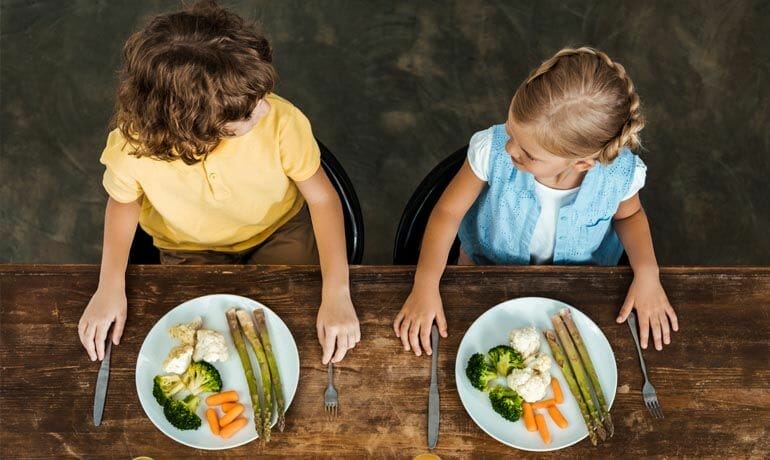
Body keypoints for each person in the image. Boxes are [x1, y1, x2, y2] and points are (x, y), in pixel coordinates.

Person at [78, 1, 359, 365]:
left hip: (280, 231)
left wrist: (337, 291)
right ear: (194, 127)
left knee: (290, 329)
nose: (265, 108)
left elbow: (322, 200)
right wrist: (108, 286)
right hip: (188, 250)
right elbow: (123, 202)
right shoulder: (131, 149)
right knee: (206, 344)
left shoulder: (282, 122)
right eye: (248, 111)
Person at [394, 47, 678, 356]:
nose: (511, 150)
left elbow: (630, 216)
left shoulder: (619, 175)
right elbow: (447, 213)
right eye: (511, 131)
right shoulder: (492, 150)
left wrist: (648, 275)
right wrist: (425, 286)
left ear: (582, 163)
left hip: (578, 292)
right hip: (484, 276)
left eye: (529, 154)